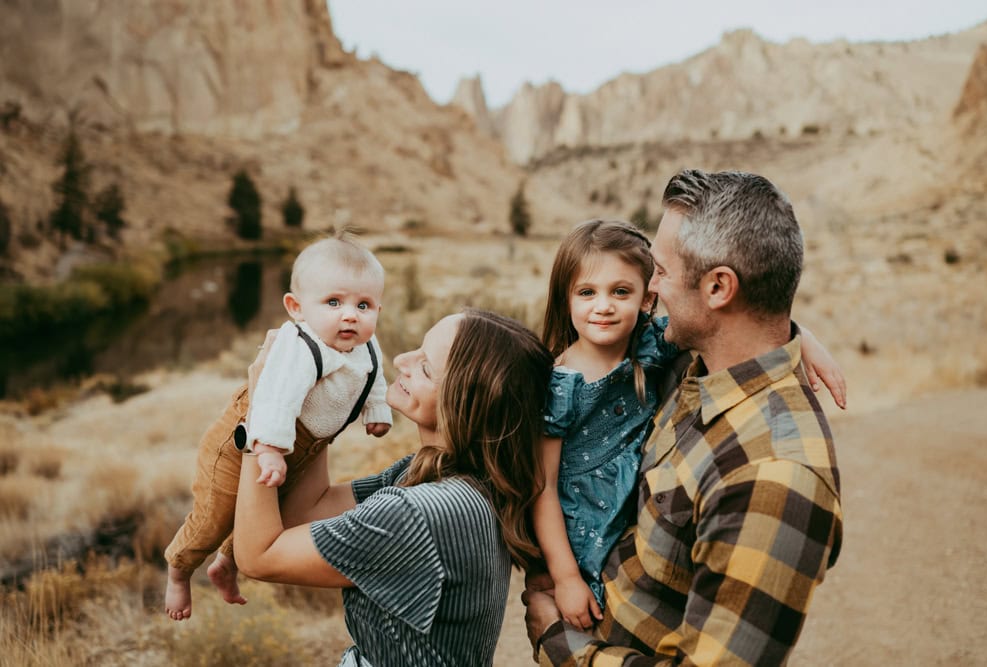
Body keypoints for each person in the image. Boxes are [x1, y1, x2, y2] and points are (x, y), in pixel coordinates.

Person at [525, 169, 845, 665]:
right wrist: (797, 335)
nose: (649, 288)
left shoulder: (775, 478)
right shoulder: (690, 366)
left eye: (659, 272)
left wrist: (561, 645)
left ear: (718, 288)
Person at [235, 309, 553, 666]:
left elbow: (258, 555)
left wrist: (262, 411)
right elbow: (307, 510)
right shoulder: (453, 476)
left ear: (465, 403)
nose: (401, 360)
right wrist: (317, 398)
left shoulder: (420, 512)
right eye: (416, 349)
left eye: (426, 368)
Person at [164, 236, 393, 621]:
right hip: (247, 442)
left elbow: (376, 376)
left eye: (363, 305)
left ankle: (227, 564)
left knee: (273, 514)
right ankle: (178, 569)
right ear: (296, 308)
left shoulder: (366, 347)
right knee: (216, 515)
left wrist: (377, 408)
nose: (350, 315)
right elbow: (274, 398)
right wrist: (267, 448)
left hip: (299, 447)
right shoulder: (300, 347)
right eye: (334, 302)